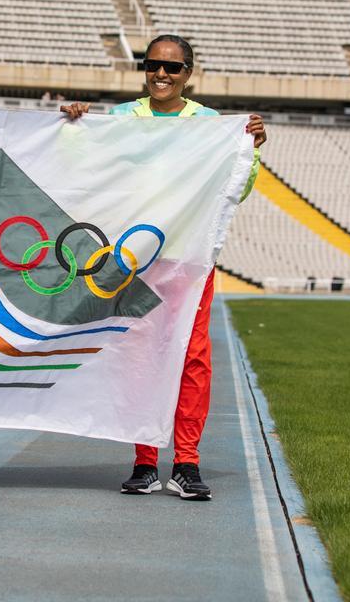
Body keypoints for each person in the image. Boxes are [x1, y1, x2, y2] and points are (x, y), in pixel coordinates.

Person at [61, 33, 266, 501]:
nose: (161, 74)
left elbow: (236, 186)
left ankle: (188, 463)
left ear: (188, 74)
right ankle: (145, 461)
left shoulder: (211, 124)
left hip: (188, 259)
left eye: (172, 68)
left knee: (193, 360)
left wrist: (250, 149)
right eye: (153, 65)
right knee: (139, 357)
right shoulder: (120, 119)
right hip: (133, 260)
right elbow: (82, 169)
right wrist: (73, 129)